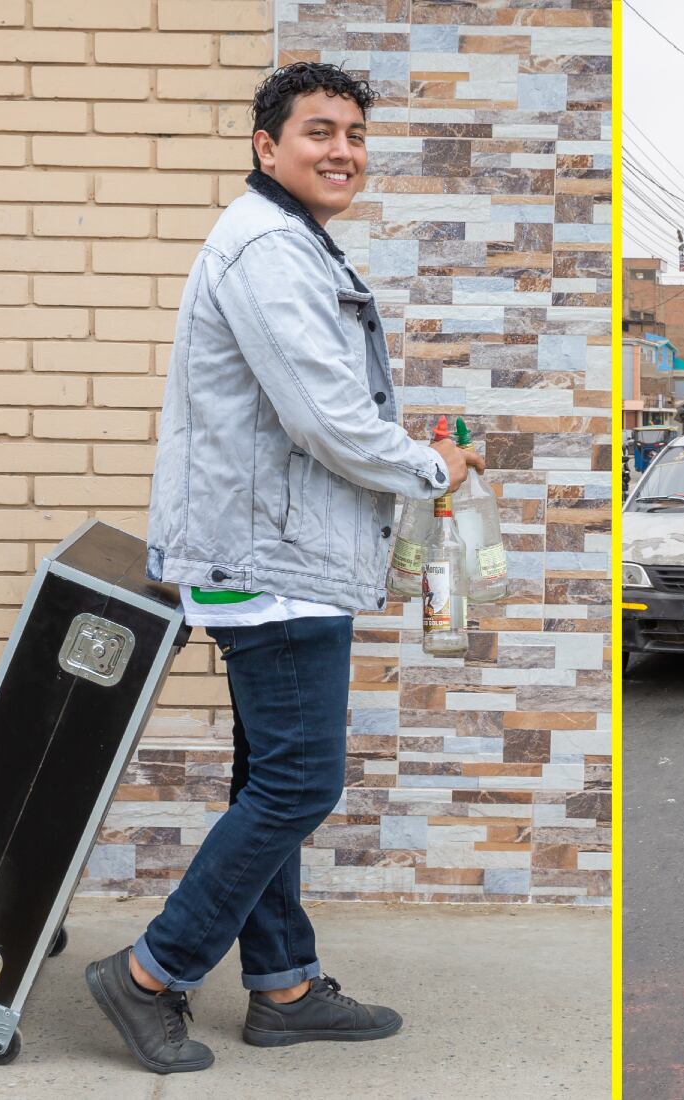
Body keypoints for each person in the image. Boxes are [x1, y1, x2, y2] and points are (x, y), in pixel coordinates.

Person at [83, 62, 483, 1075]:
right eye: (318, 131)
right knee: (300, 781)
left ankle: (285, 987)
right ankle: (149, 974)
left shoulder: (288, 238)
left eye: (355, 133)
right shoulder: (267, 246)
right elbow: (323, 417)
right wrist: (428, 466)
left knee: (270, 774)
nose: (342, 150)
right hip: (271, 560)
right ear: (267, 146)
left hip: (273, 549)